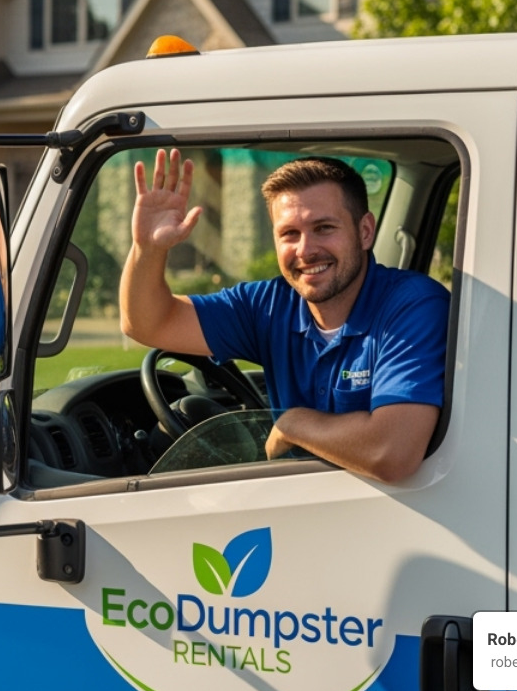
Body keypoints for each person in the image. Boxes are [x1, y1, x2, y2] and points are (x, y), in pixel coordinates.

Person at [119, 149, 449, 483]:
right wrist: (148, 249)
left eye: (323, 228)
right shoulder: (269, 304)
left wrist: (294, 424)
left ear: (365, 231)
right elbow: (148, 323)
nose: (305, 250)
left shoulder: (414, 305)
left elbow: (392, 454)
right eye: (289, 234)